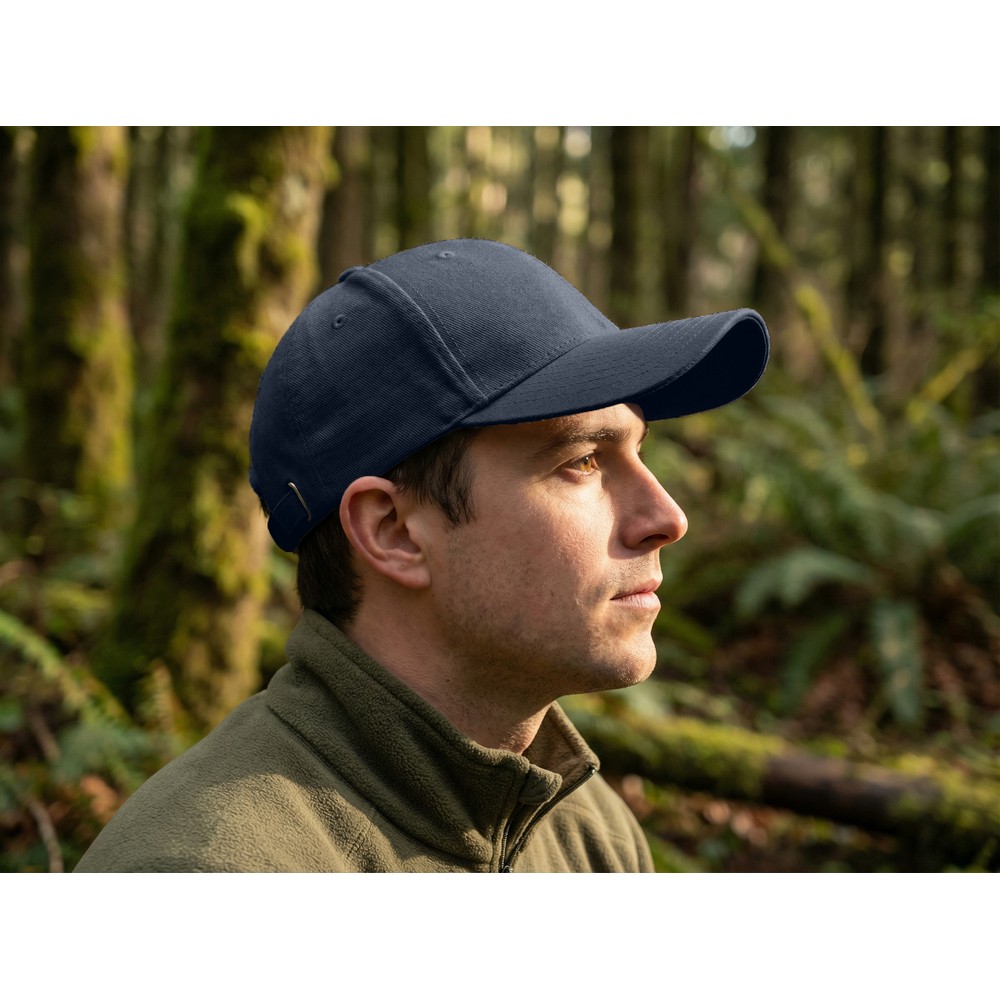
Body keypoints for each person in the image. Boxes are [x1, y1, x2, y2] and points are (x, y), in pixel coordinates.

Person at [75, 238, 768, 873]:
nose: (667, 518)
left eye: (639, 451)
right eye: (583, 461)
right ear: (394, 531)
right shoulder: (205, 871)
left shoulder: (587, 831)